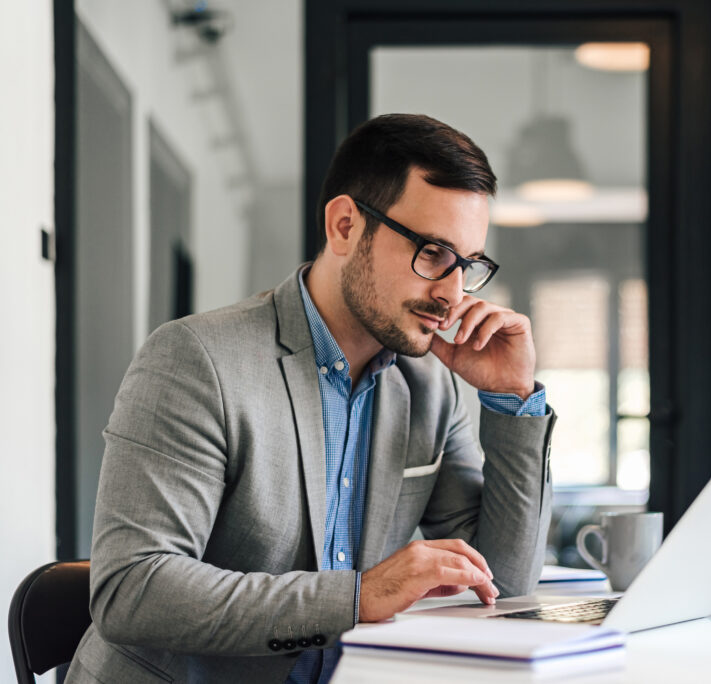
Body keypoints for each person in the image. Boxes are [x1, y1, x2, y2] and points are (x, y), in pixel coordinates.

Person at [67, 114, 555, 683]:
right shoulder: (196, 358)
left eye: (468, 265)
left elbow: (505, 583)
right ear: (345, 226)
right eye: (433, 253)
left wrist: (514, 397)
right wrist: (355, 598)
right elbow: (134, 590)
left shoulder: (428, 387)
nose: (451, 294)